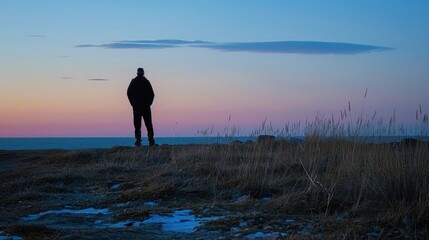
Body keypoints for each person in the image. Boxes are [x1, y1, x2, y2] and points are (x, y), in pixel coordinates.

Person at [127, 67, 155, 146]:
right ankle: (139, 140)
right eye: (140, 73)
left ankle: (151, 140)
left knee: (148, 124)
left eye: (141, 73)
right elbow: (129, 93)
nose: (140, 74)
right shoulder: (134, 82)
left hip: (145, 107)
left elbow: (152, 94)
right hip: (137, 107)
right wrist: (133, 103)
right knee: (138, 125)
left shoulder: (146, 82)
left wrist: (148, 103)